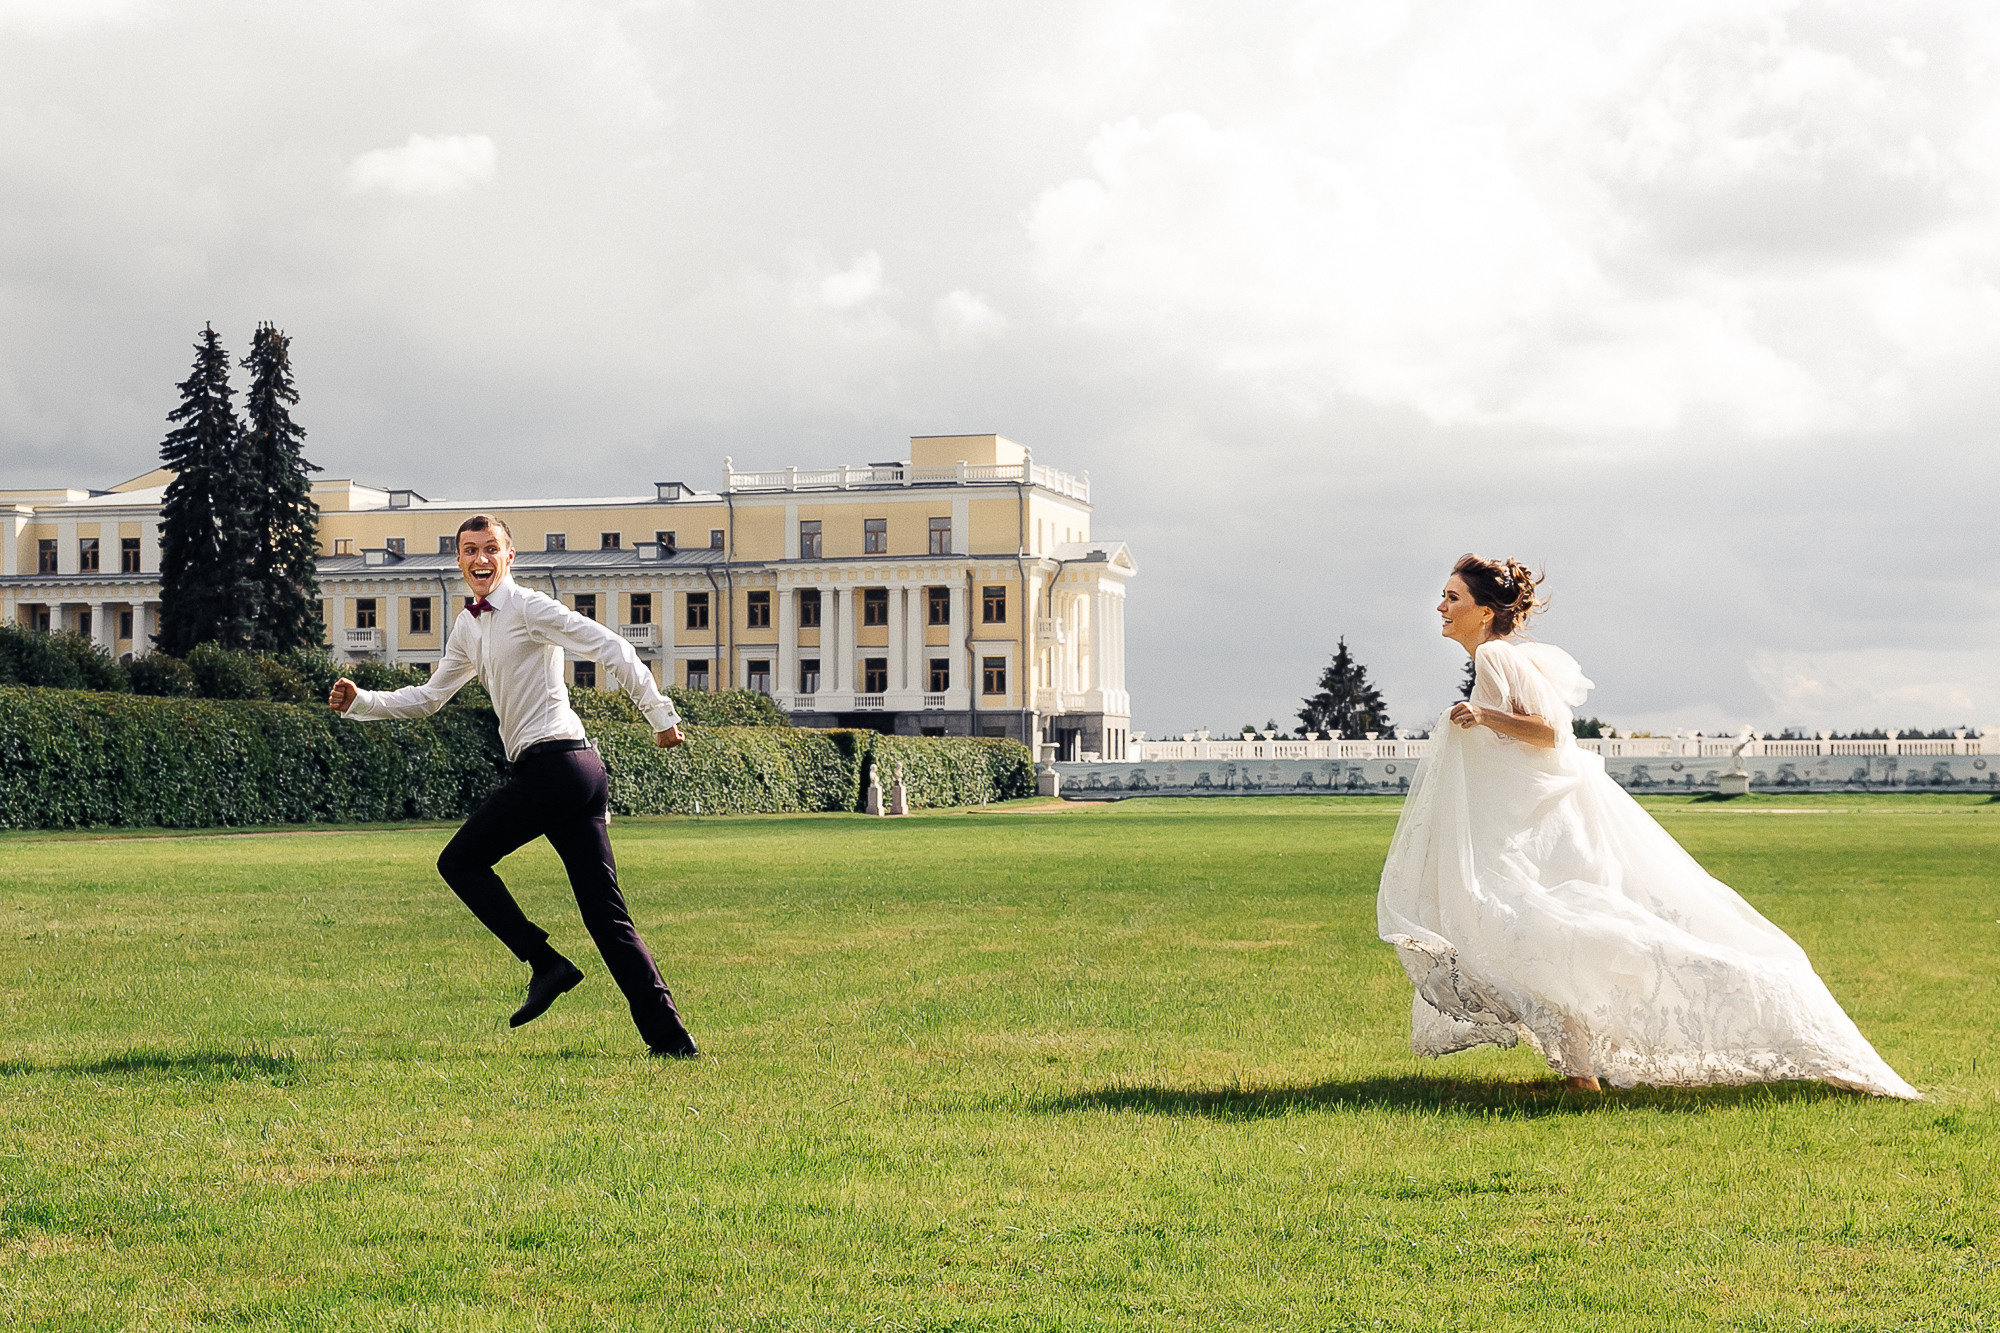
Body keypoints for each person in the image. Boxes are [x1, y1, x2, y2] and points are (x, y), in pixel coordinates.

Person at [1375, 553, 1917, 1098]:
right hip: (1524, 819)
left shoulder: (1495, 655)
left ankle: (1593, 1068)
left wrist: (1483, 716)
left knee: (1536, 927)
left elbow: (1547, 733)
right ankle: (1579, 1073)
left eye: (1453, 598)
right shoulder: (1500, 655)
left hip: (1537, 820)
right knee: (1532, 932)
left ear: (1486, 612)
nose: (1441, 606)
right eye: (1444, 596)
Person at [329, 513, 699, 1058]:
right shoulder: (468, 626)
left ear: (510, 557)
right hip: (571, 772)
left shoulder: (528, 607)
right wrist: (363, 701)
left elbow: (612, 647)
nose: (480, 559)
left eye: (490, 549)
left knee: (460, 862)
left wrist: (661, 718)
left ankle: (546, 963)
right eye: (469, 550)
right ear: (458, 560)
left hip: (557, 767)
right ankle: (671, 1041)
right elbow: (431, 697)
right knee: (606, 916)